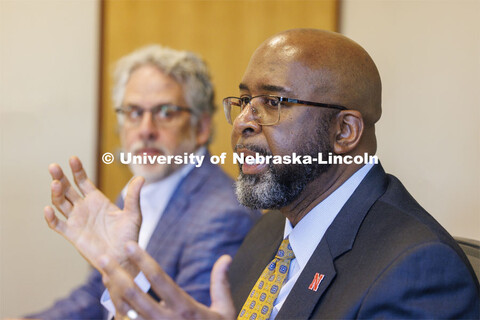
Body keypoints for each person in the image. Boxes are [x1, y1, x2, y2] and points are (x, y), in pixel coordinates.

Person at [45, 29, 479, 319]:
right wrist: (123, 270)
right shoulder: (270, 231)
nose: (243, 123)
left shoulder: (420, 271)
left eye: (274, 103)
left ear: (345, 131)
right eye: (244, 101)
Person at [29, 45, 258, 319]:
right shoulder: (138, 191)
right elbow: (95, 295)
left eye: (165, 112)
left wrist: (128, 272)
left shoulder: (224, 215)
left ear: (201, 128)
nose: (146, 130)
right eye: (134, 112)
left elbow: (182, 314)